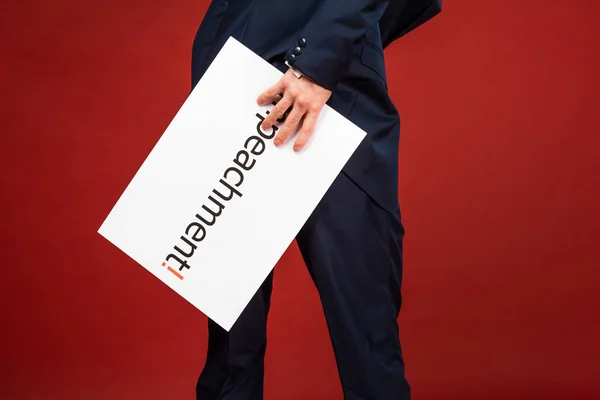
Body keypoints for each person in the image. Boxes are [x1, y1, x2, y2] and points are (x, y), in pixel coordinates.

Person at [191, 1, 441, 399]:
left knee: (366, 335)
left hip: (334, 98)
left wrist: (321, 59)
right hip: (228, 88)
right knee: (230, 342)